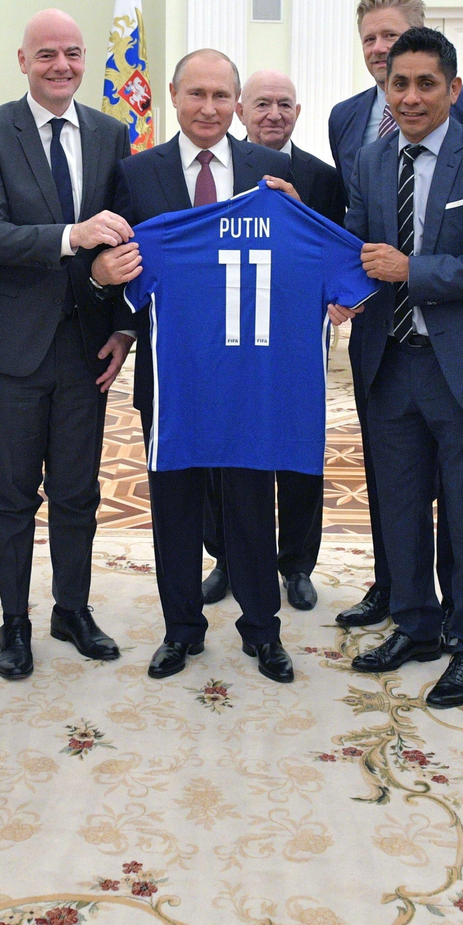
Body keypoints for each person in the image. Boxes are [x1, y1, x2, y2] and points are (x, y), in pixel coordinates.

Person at [92, 49, 300, 684]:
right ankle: (182, 629)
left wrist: (295, 216)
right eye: (196, 95)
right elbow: (111, 258)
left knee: (250, 504)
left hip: (249, 375)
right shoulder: (135, 172)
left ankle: (263, 630)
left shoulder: (271, 173)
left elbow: (293, 264)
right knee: (174, 507)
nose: (208, 108)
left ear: (236, 103)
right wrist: (104, 279)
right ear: (173, 98)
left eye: (221, 96)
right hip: (172, 376)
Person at [341, 27, 463, 709]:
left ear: (453, 88)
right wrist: (342, 290)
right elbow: (357, 245)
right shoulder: (368, 159)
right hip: (388, 363)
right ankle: (417, 624)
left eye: (426, 83)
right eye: (400, 83)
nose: (411, 96)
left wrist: (412, 270)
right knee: (398, 507)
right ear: (384, 90)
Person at [0, 9, 134, 679]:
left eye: (73, 53)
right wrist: (72, 235)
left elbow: (133, 237)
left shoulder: (112, 133)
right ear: (24, 61)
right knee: (11, 494)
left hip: (88, 345)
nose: (61, 65)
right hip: (13, 348)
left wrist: (123, 327)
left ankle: (72, 609)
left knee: (78, 490)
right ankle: (14, 621)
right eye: (47, 55)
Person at [198, 70, 344, 614]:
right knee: (224, 449)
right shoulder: (218, 168)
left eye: (285, 104)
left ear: (299, 112)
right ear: (240, 110)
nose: (273, 114)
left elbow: (337, 247)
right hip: (226, 335)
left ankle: (297, 564)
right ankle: (227, 558)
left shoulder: (323, 178)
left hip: (296, 337)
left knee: (298, 447)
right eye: (262, 104)